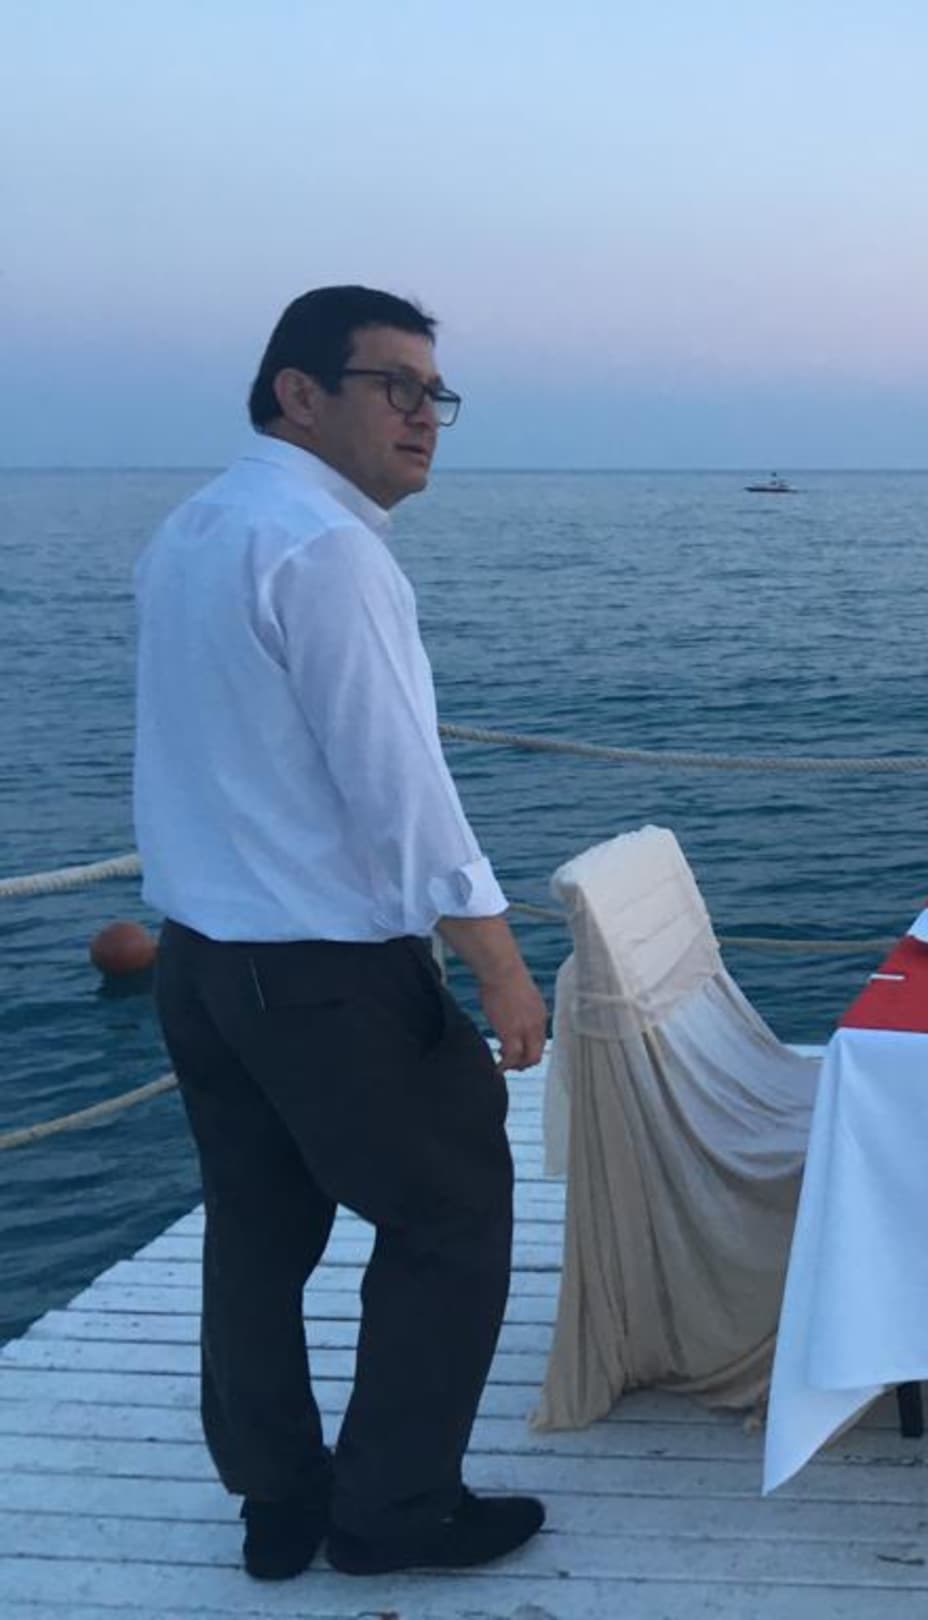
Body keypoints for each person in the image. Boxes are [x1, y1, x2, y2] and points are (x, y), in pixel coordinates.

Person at [133, 286, 549, 1580]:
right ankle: (393, 1512)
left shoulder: (195, 528)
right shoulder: (325, 550)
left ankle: (279, 1502)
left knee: (256, 1233)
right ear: (299, 395)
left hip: (203, 965)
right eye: (395, 386)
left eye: (436, 394)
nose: (425, 416)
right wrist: (499, 965)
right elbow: (401, 787)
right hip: (321, 974)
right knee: (452, 1213)